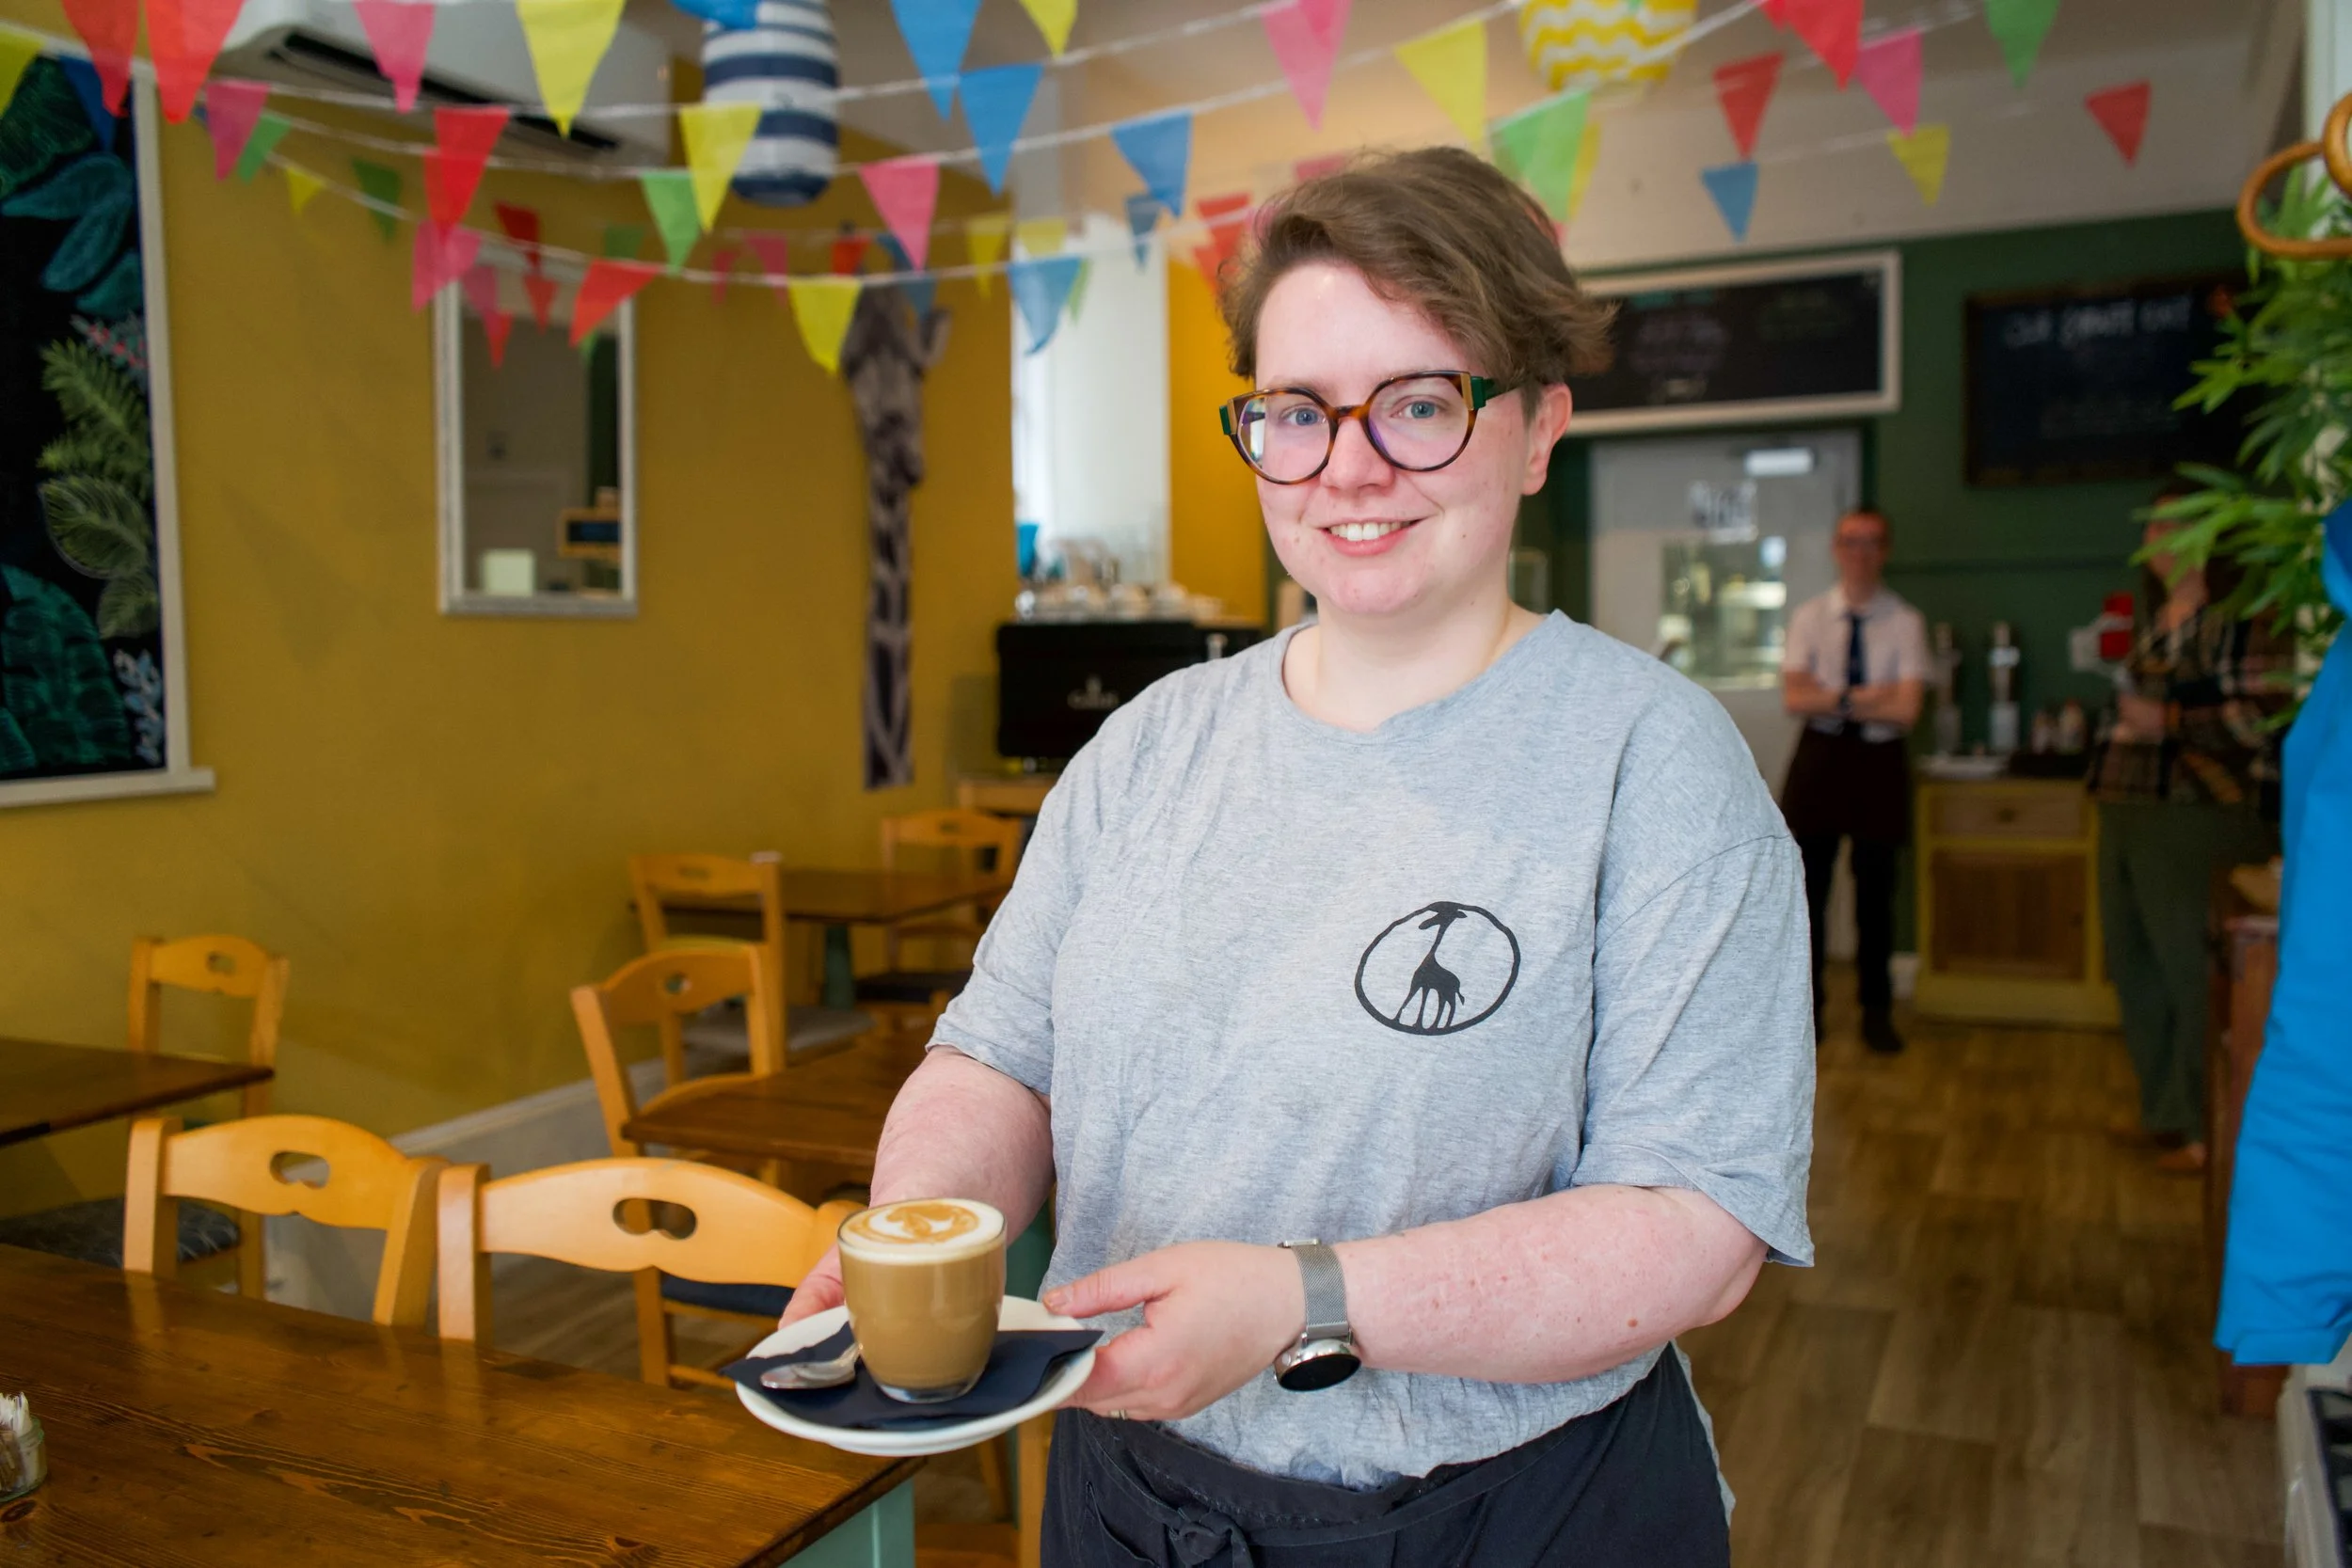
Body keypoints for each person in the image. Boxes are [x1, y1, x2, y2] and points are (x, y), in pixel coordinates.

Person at [784, 148, 1815, 1566]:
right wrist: (917, 1234)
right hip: (1125, 1491)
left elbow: (1696, 1230)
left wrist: (1301, 1296)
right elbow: (997, 1057)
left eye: (1419, 403)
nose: (1349, 465)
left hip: (1509, 1516)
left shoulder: (1653, 763)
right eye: (1296, 411)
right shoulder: (1145, 749)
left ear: (1536, 428)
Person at [2091, 505, 2291, 1174]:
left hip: (2198, 815)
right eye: (2147, 525)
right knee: (2133, 963)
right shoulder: (2154, 622)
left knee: (2188, 967)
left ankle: (2207, 1128)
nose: (2153, 537)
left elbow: (2266, 717)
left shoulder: (2243, 617)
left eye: (2171, 524)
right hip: (2128, 808)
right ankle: (2167, 1113)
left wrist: (2170, 718)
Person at [1778, 510, 1929, 1054]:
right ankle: (1808, 1017)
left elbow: (1908, 710)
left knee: (1876, 899)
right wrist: (1870, 697)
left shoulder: (1906, 621)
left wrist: (1833, 696)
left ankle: (1877, 1015)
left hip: (1879, 765)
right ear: (1836, 548)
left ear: (1885, 550)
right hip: (1819, 762)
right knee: (1807, 896)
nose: (1860, 553)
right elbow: (1795, 698)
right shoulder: (1810, 617)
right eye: (1851, 542)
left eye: (1871, 543)